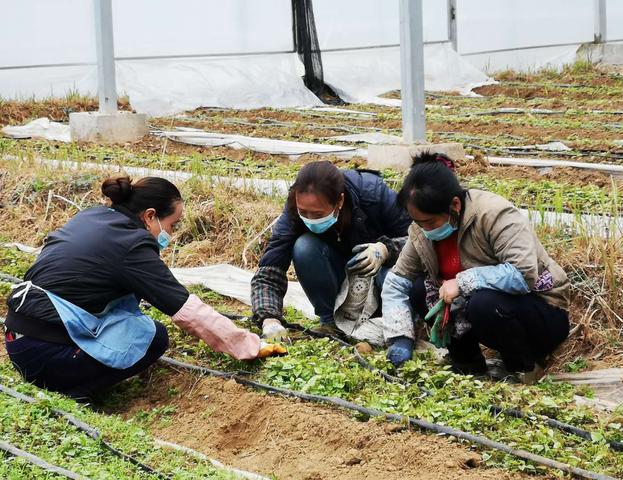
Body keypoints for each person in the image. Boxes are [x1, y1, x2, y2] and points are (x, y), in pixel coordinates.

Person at [4, 176, 274, 400]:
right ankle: (75, 391)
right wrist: (248, 345)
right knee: (153, 336)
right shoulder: (132, 245)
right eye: (173, 224)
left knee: (126, 315)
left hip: (18, 338)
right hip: (45, 353)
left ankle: (66, 370)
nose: (172, 233)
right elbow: (184, 307)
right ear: (150, 216)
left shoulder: (94, 216)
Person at [381, 153, 570, 382]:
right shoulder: (422, 231)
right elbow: (398, 282)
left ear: (455, 205)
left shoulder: (494, 214)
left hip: (540, 312)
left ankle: (524, 365)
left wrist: (462, 282)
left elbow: (523, 274)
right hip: (490, 309)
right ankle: (466, 363)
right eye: (418, 222)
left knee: (483, 303)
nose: (423, 229)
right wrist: (400, 337)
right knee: (421, 289)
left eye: (429, 222)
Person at [251, 161, 412, 339]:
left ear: (340, 201)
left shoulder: (373, 194)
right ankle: (331, 323)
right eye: (303, 211)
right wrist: (269, 318)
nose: (309, 219)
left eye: (318, 214)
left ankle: (390, 321)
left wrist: (387, 248)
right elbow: (270, 268)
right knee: (304, 247)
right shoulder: (293, 212)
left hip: (377, 276)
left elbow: (418, 239)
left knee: (391, 273)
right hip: (337, 272)